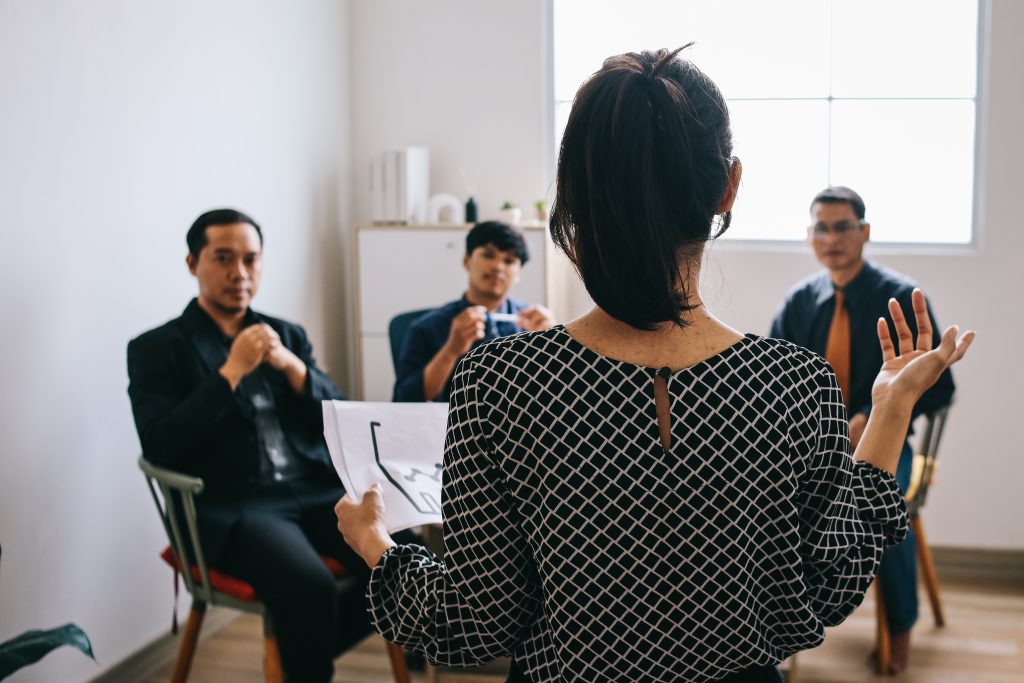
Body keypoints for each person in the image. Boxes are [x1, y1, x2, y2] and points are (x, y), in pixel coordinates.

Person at [336, 47, 973, 683]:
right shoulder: (795, 383)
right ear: (729, 184)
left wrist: (374, 543)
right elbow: (828, 589)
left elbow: (472, 623)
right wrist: (891, 409)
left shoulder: (501, 379)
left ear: (573, 193)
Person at [127, 208, 408, 682]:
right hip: (238, 505)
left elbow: (338, 417)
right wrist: (230, 373)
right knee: (309, 585)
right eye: (223, 258)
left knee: (402, 553)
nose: (240, 273)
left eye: (251, 260)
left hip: (315, 490)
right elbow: (161, 445)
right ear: (193, 262)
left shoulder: (286, 334)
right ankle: (306, 654)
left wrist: (292, 368)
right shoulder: (157, 347)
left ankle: (303, 647)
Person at [769, 186, 955, 673]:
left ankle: (899, 629)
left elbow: (940, 389)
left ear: (864, 232)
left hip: (890, 446)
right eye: (821, 228)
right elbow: (775, 385)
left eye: (843, 226)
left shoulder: (900, 296)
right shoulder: (798, 302)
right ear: (810, 236)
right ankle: (775, 634)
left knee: (883, 504)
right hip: (814, 447)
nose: (831, 238)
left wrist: (879, 418)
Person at [392, 221, 554, 403]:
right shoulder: (426, 327)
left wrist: (550, 347)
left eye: (509, 261)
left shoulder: (534, 326)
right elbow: (404, 400)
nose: (498, 267)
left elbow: (551, 397)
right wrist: (451, 350)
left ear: (518, 273)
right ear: (466, 260)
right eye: (488, 255)